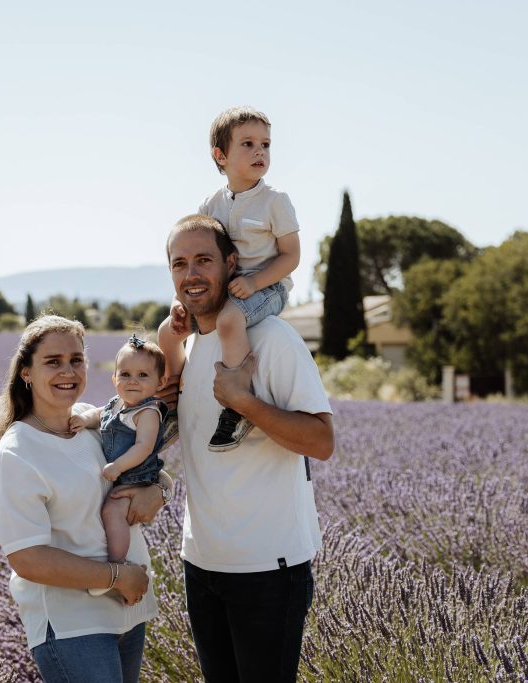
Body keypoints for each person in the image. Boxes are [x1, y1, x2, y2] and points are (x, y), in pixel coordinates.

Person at [162, 215, 334, 683]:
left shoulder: (274, 339)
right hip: (201, 562)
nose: (191, 274)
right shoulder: (191, 346)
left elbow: (321, 441)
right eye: (180, 264)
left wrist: (244, 402)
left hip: (268, 569)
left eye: (204, 260)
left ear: (231, 264)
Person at [0, 315, 170, 683]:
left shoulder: (94, 425)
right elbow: (28, 559)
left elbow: (150, 469)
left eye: (76, 359)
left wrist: (159, 491)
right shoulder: (17, 453)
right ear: (26, 372)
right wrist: (118, 576)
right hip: (72, 625)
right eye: (52, 362)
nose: (67, 371)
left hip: (127, 612)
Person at [158, 105, 301, 452]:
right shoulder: (211, 205)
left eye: (265, 145)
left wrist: (254, 283)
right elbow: (200, 252)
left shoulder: (275, 201)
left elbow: (291, 257)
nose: (260, 152)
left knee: (229, 322)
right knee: (167, 330)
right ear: (220, 156)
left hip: (267, 287)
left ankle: (237, 405)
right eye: (248, 144)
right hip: (224, 289)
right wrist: (181, 301)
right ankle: (173, 398)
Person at [68, 334, 168, 589]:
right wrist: (85, 419)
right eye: (125, 374)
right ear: (114, 379)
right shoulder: (117, 404)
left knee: (112, 513)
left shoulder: (147, 412)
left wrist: (119, 466)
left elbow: (143, 447)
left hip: (135, 476)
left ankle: (117, 563)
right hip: (121, 474)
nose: (132, 381)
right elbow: (100, 414)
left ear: (160, 382)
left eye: (143, 375)